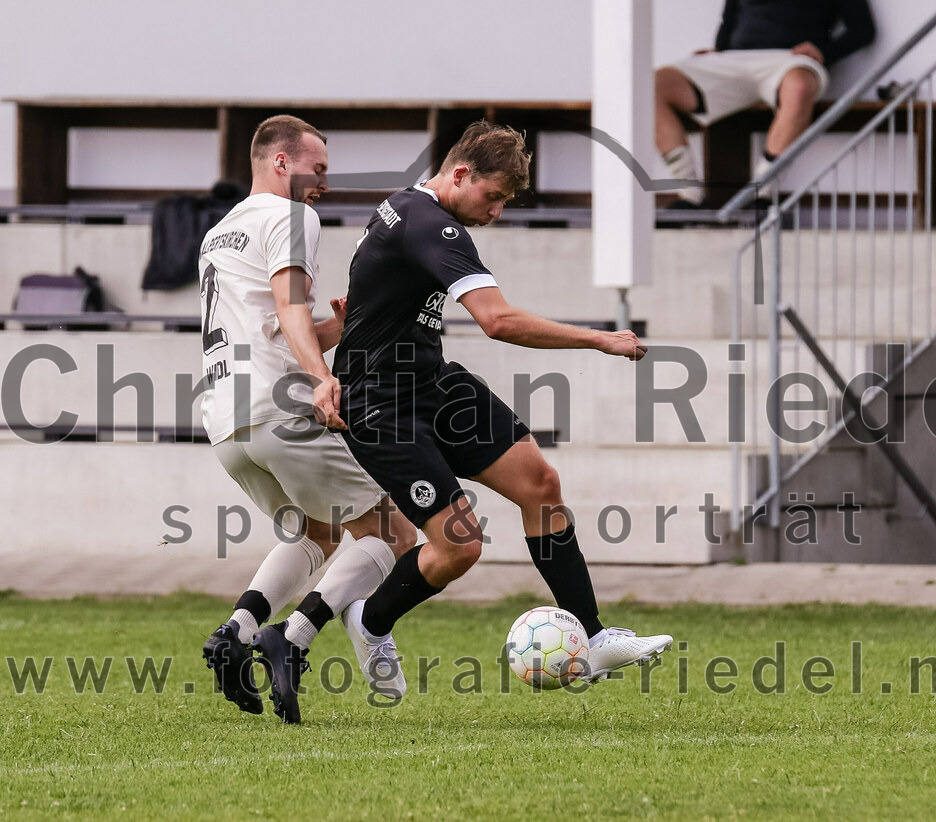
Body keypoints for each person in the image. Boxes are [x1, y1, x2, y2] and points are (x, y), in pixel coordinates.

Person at [326, 121, 673, 700]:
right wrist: (600, 340)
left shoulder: (409, 205)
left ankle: (592, 635)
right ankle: (371, 619)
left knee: (541, 483)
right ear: (460, 174)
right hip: (379, 402)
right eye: (494, 197)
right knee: (459, 545)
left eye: (506, 202)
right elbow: (498, 321)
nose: (496, 212)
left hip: (431, 383)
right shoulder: (429, 223)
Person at [198, 114, 415, 724]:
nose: (324, 182)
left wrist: (334, 332)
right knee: (392, 532)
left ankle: (236, 630)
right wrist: (322, 377)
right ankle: (289, 637)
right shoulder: (292, 216)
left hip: (223, 417)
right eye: (318, 168)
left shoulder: (220, 232)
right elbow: (291, 310)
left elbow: (268, 326)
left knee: (316, 537)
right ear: (281, 163)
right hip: (276, 404)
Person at [655, 0, 875, 206]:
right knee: (653, 84)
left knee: (799, 88)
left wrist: (824, 53)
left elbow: (863, 30)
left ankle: (762, 193)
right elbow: (729, 18)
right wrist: (718, 51)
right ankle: (689, 194)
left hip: (790, 59)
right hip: (734, 59)